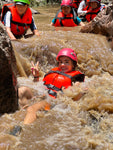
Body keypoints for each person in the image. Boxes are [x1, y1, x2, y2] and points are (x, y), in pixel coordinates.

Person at [19, 48, 85, 124]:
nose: (63, 65)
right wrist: (36, 76)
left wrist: (79, 92)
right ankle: (22, 117)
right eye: (61, 62)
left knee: (31, 109)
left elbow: (75, 97)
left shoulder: (76, 79)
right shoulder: (54, 71)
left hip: (52, 101)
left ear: (73, 64)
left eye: (66, 62)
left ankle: (22, 130)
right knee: (22, 90)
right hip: (41, 95)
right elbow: (39, 85)